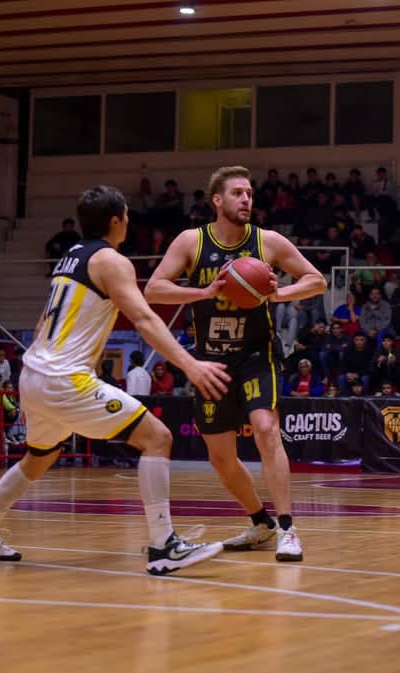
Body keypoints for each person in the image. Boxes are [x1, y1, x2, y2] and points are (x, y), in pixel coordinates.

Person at [0, 186, 231, 575]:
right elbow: (144, 318)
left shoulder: (70, 257)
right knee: (157, 438)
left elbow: (45, 318)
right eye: (127, 216)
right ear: (116, 220)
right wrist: (191, 365)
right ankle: (164, 545)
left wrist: (202, 293)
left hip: (33, 373)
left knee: (39, 457)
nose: (129, 222)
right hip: (65, 378)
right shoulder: (112, 261)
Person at [146, 165, 327, 562]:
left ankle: (287, 529)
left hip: (256, 354)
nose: (246, 199)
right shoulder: (192, 241)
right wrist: (204, 292)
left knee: (265, 429)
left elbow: (317, 280)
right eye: (238, 193)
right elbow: (154, 289)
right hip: (210, 360)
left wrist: (278, 295)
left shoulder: (267, 241)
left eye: (249, 193)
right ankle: (261, 523)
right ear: (217, 200)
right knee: (221, 457)